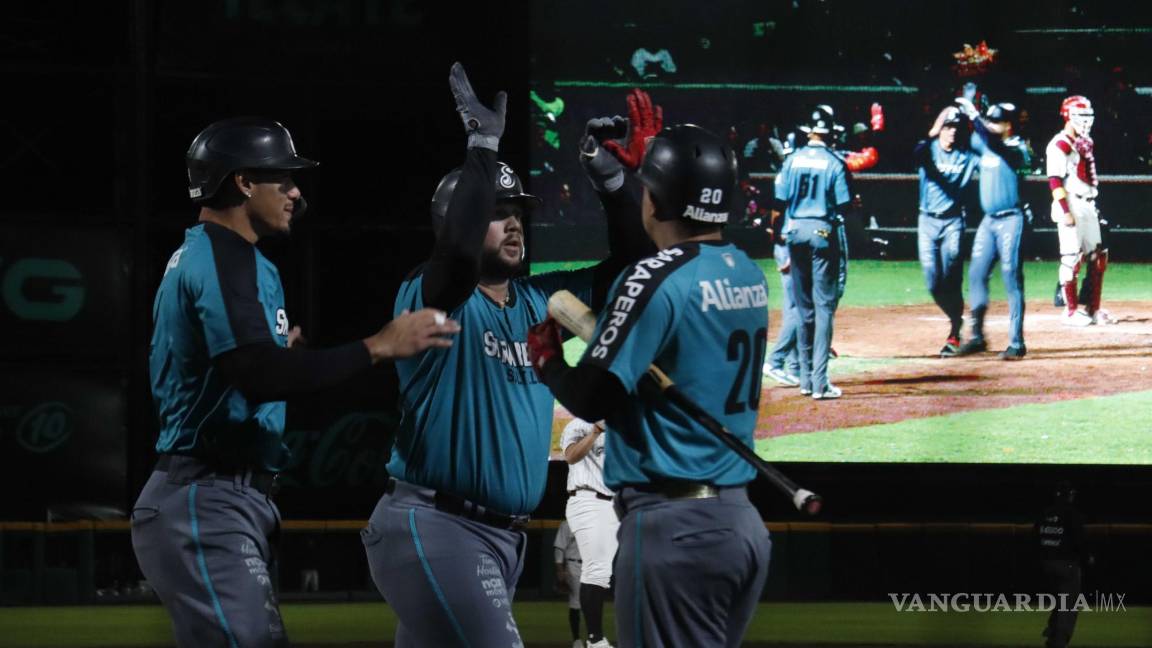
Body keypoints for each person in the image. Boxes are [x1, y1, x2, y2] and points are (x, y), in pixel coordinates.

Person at [131, 117, 459, 648]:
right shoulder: (221, 254)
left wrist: (280, 359)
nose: (295, 190)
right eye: (282, 178)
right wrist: (378, 345)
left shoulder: (215, 255)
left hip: (217, 495)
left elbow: (233, 372)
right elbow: (257, 374)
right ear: (241, 182)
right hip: (205, 495)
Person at [360, 63, 654, 647]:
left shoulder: (536, 303)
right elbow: (453, 262)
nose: (515, 223)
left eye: (519, 211)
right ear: (460, 222)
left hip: (499, 538)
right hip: (436, 525)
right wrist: (481, 148)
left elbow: (631, 269)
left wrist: (614, 187)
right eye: (498, 213)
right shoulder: (433, 294)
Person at [528, 123, 773, 648]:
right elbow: (676, 266)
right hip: (739, 523)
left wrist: (548, 361)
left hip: (673, 525)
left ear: (656, 199)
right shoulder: (746, 273)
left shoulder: (649, 280)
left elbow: (593, 397)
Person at [776, 106, 852, 399]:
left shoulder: (791, 160)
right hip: (822, 232)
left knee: (803, 307)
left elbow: (779, 199)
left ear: (808, 131)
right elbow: (844, 206)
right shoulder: (834, 162)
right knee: (824, 308)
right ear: (830, 133)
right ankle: (821, 382)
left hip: (794, 232)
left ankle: (806, 380)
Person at [953, 99, 1031, 360]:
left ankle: (1016, 342)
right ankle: (976, 336)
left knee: (1011, 276)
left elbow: (993, 142)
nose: (991, 125)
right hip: (989, 221)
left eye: (996, 121)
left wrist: (974, 114)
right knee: (976, 273)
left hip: (1011, 219)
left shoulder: (1017, 149)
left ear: (1009, 125)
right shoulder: (984, 143)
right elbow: (966, 138)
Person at [917, 106, 980, 356]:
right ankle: (957, 318)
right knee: (933, 280)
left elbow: (986, 150)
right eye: (948, 127)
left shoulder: (966, 155)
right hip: (927, 220)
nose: (952, 132)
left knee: (952, 275)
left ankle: (954, 331)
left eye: (956, 127)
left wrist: (974, 119)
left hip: (953, 221)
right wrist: (933, 129)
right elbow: (915, 151)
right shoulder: (928, 150)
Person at [1047, 95, 1112, 326]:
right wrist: (1065, 210)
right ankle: (1071, 310)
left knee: (1098, 256)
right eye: (1080, 116)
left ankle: (1093, 308)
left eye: (1088, 116)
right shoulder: (1059, 143)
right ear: (1068, 116)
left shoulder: (1085, 142)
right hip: (1071, 203)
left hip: (1087, 202)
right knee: (1072, 257)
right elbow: (1054, 180)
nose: (1085, 121)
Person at [561, 418, 618, 648]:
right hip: (587, 499)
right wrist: (595, 431)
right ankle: (595, 640)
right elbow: (571, 455)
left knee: (605, 573)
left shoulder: (620, 427)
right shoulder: (578, 424)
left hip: (616, 503)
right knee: (596, 571)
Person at [1036, 482, 1088, 648]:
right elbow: (1080, 541)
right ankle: (1059, 640)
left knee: (1061, 600)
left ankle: (1052, 631)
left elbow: (1034, 538)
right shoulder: (1072, 514)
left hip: (1046, 565)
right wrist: (1088, 558)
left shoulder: (1045, 513)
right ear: (1070, 496)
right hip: (1067, 566)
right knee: (1069, 604)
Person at [553, 519, 585, 648]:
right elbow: (559, 547)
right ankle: (576, 640)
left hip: (592, 566)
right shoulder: (568, 523)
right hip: (573, 566)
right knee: (576, 602)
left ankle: (594, 637)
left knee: (592, 603)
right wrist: (560, 569)